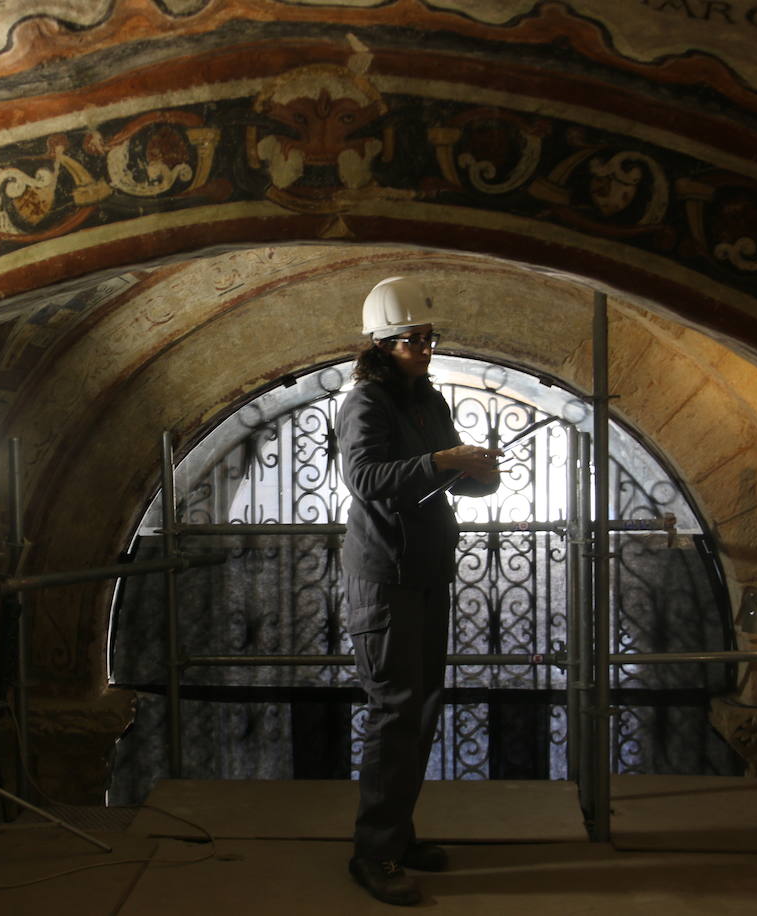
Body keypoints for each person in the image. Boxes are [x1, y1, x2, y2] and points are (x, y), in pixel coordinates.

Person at [338, 276, 501, 906]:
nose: (427, 349)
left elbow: (443, 476)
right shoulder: (365, 404)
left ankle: (397, 838)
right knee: (395, 708)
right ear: (383, 343)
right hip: (384, 576)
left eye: (431, 338)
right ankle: (373, 853)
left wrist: (477, 476)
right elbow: (367, 478)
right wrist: (445, 462)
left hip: (428, 569)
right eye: (415, 340)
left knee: (422, 705)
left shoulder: (426, 399)